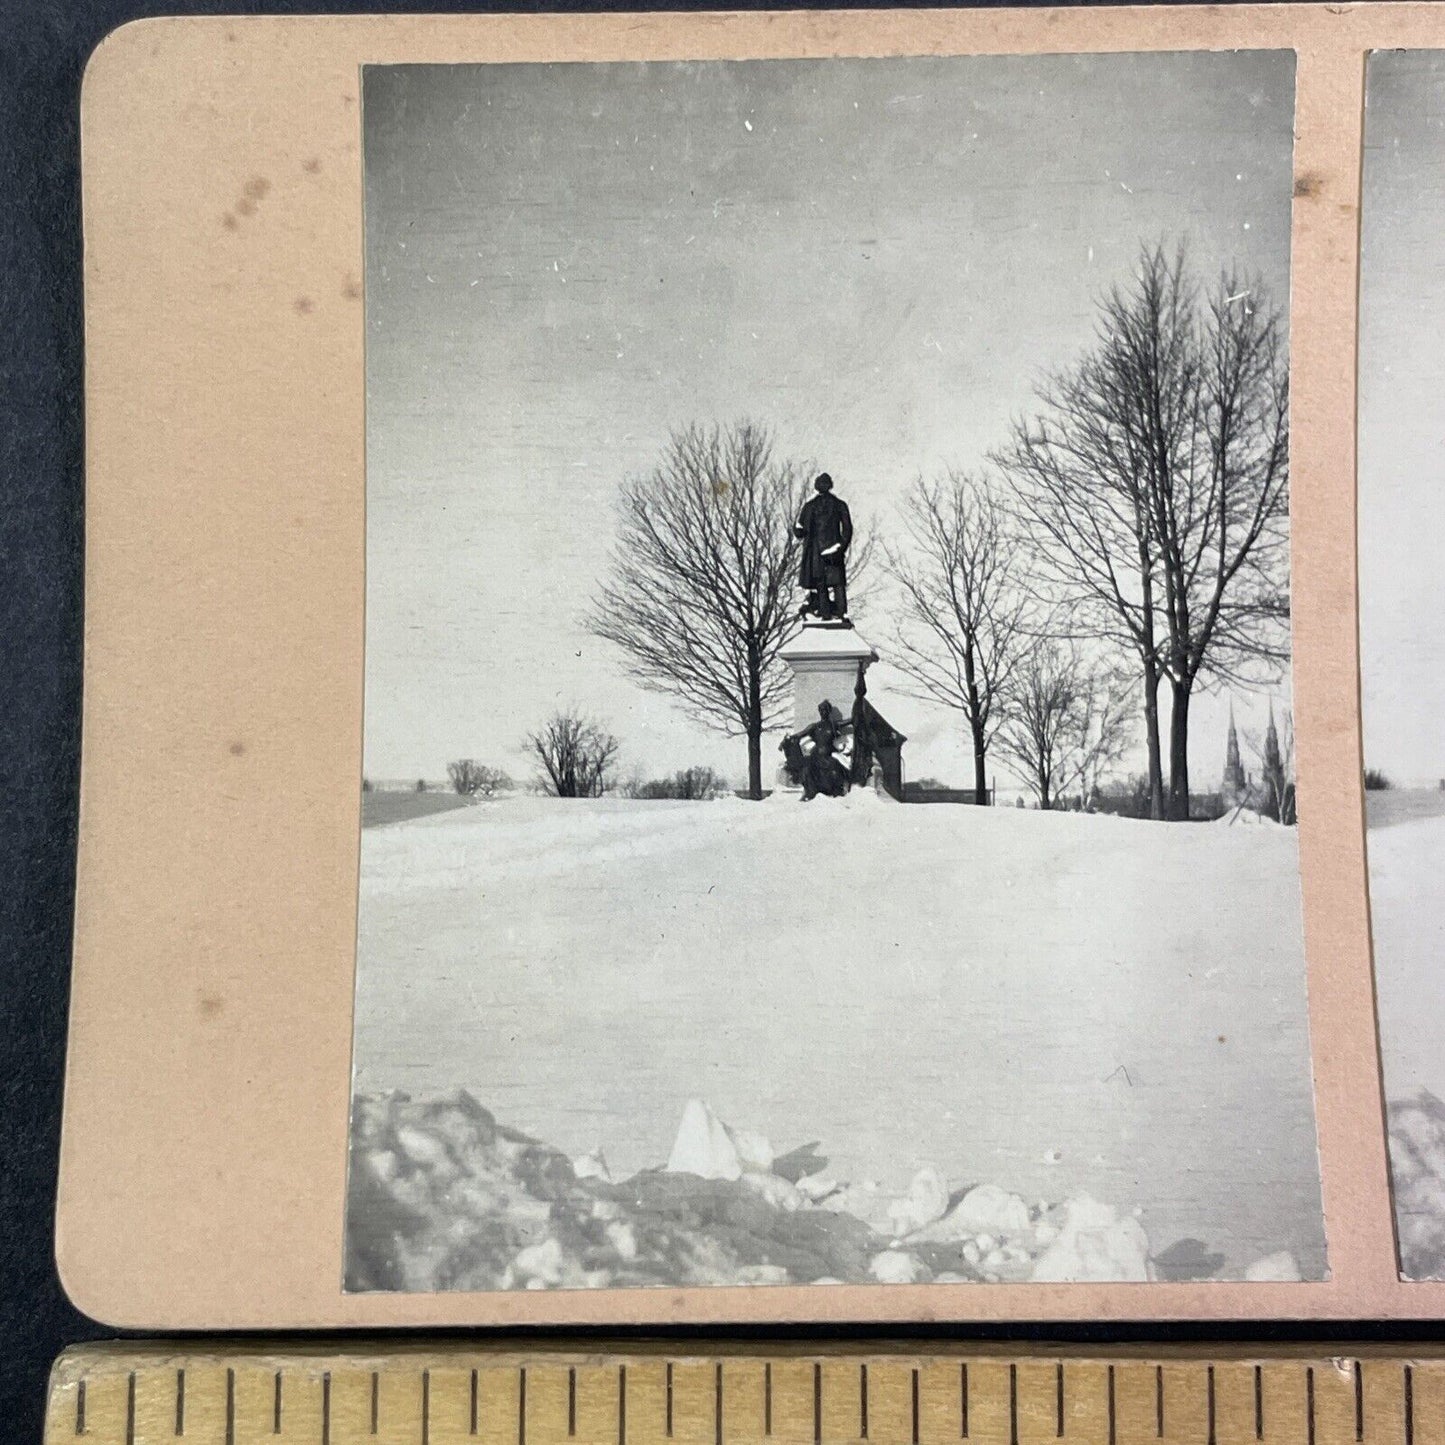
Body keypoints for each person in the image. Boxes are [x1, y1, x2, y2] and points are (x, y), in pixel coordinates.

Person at [794, 473, 853, 621]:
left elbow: (799, 531)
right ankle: (837, 614)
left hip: (820, 552)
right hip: (828, 551)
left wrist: (840, 548)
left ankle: (830, 615)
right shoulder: (837, 505)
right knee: (834, 584)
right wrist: (841, 547)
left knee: (826, 585)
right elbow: (847, 530)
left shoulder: (811, 506)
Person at [781, 699, 852, 800]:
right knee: (807, 768)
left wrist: (857, 716)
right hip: (815, 755)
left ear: (829, 711)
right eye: (821, 710)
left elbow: (848, 721)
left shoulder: (833, 725)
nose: (823, 712)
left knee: (835, 767)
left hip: (828, 754)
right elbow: (800, 734)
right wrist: (788, 739)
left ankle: (835, 790)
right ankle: (809, 791)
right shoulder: (814, 726)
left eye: (825, 710)